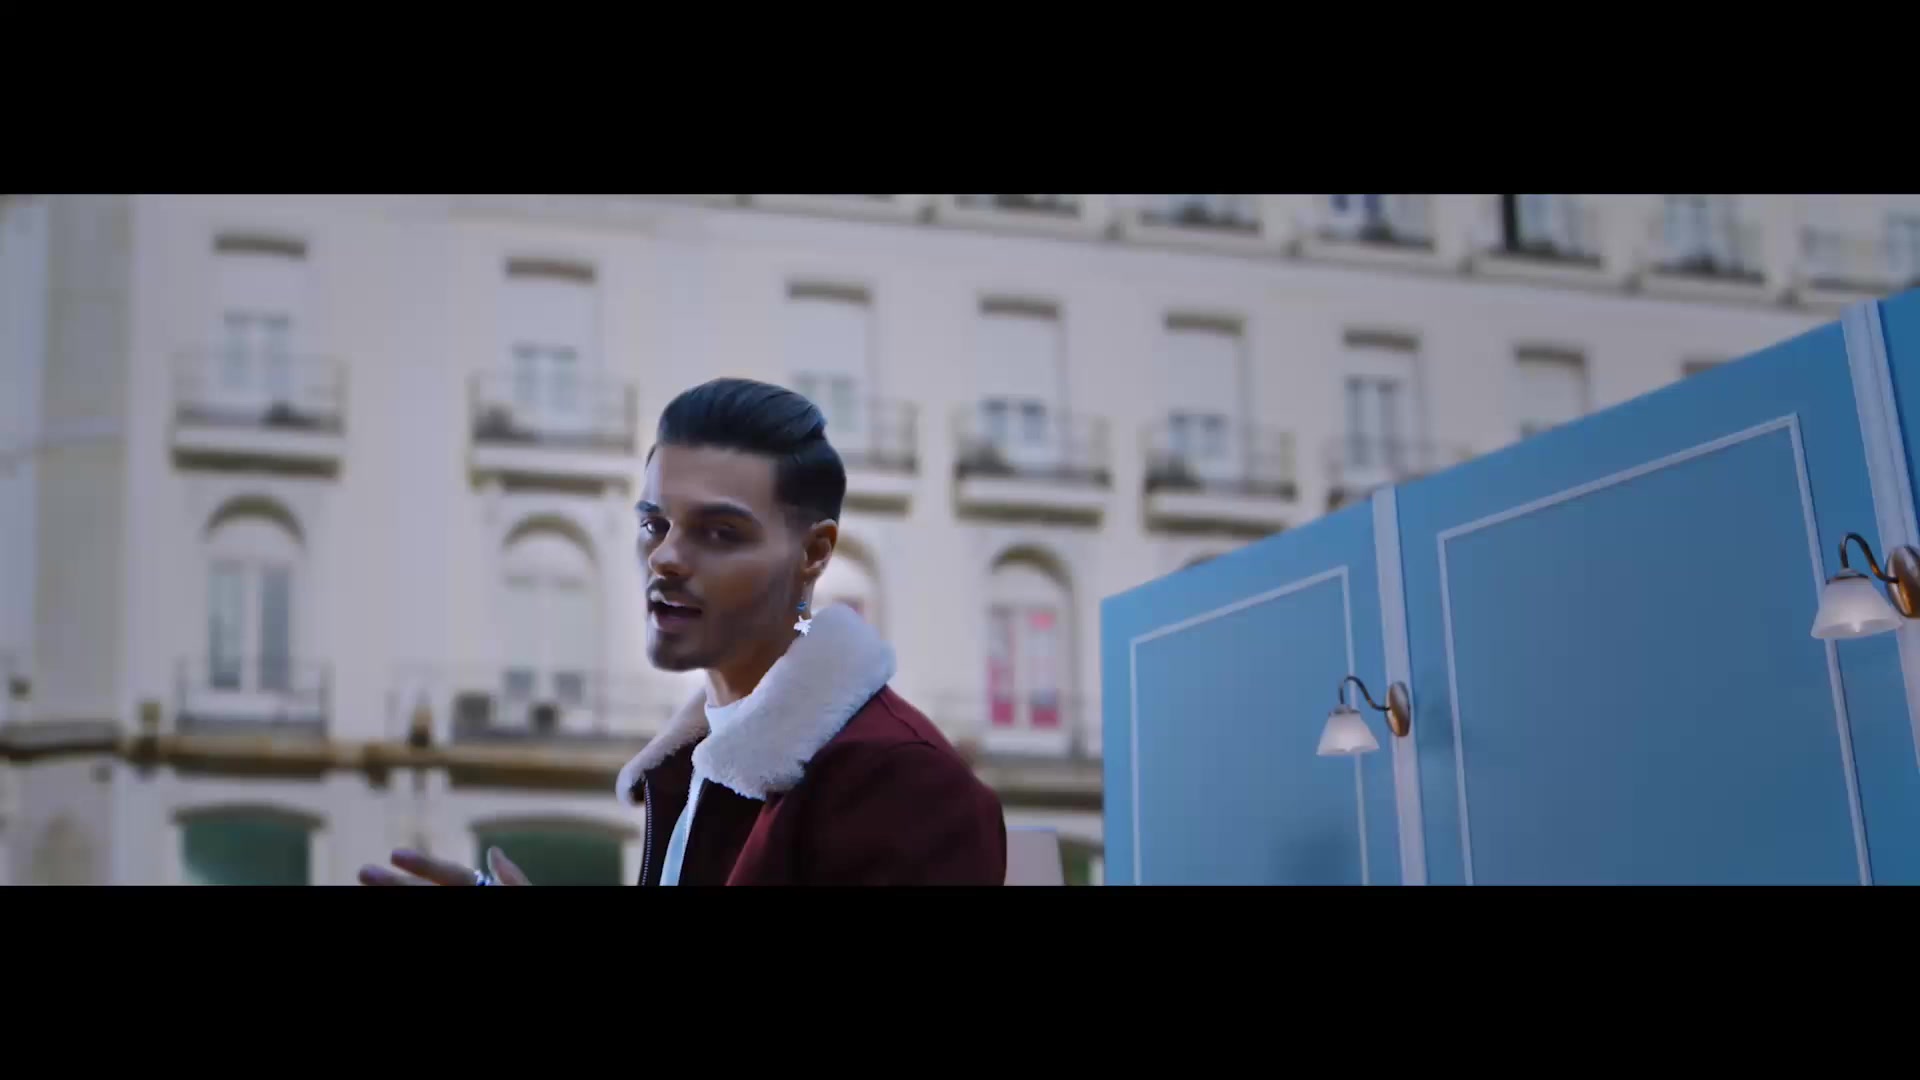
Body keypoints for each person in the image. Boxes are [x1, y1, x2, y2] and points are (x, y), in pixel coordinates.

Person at [360, 377, 1008, 886]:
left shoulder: (903, 785)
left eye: (719, 532)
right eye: (655, 525)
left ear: (813, 553)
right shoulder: (700, 765)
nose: (665, 558)